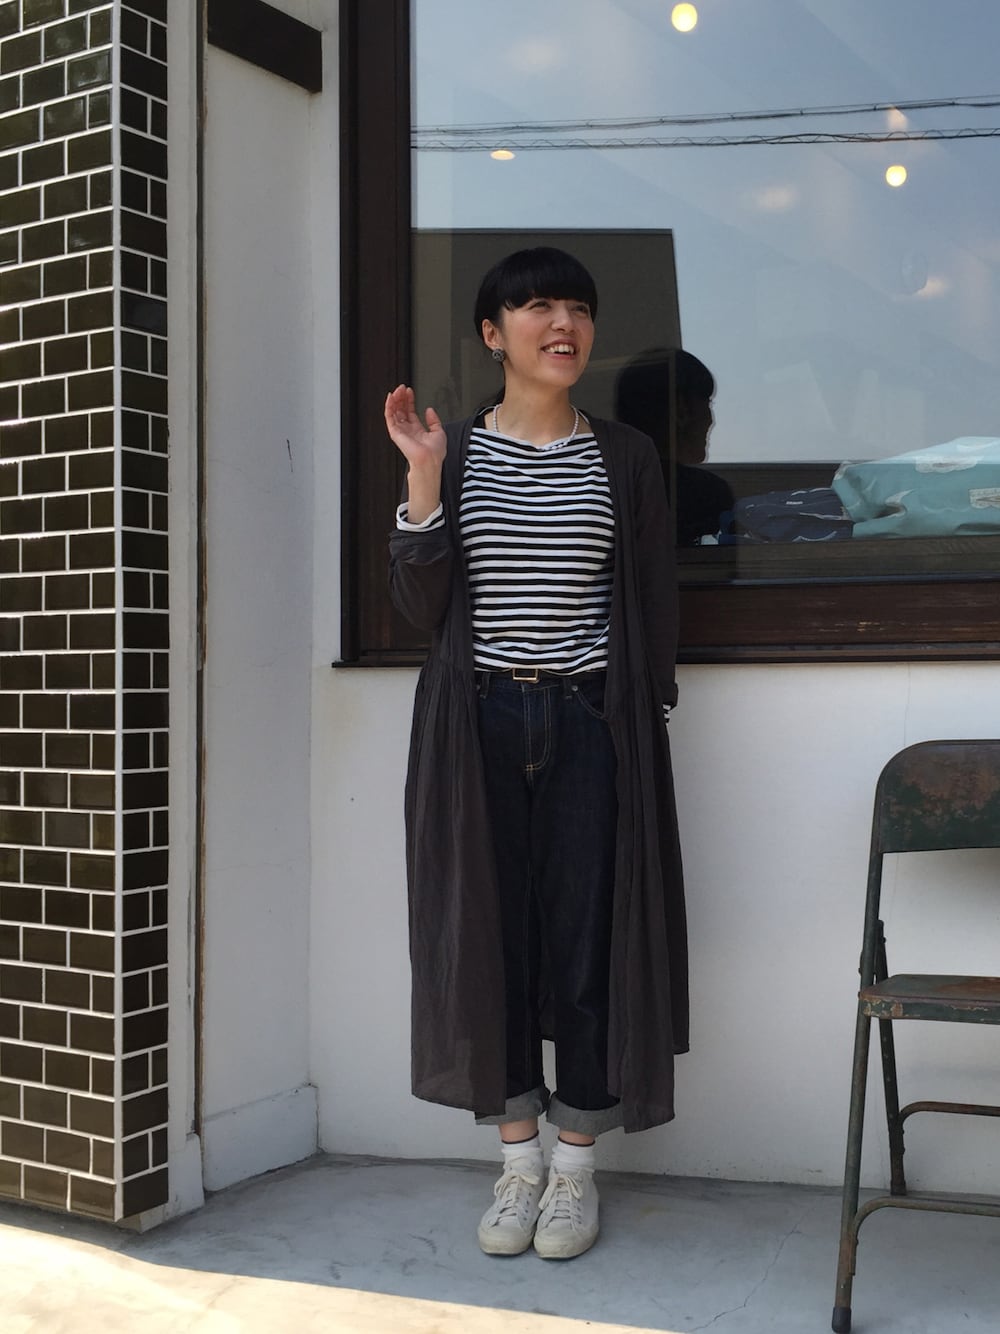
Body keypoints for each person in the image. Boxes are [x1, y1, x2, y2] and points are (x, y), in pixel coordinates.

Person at [385, 247, 688, 1261]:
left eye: (578, 309)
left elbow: (652, 600)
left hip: (590, 725)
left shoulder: (624, 457)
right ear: (493, 333)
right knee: (492, 944)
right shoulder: (455, 451)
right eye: (538, 306)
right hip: (476, 725)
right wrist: (422, 478)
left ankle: (574, 1171)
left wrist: (636, 719)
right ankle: (517, 1165)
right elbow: (419, 606)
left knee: (589, 946)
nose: (563, 323)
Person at [614, 347, 734, 546]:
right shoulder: (706, 495)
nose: (711, 420)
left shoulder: (606, 489)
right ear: (682, 409)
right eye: (708, 404)